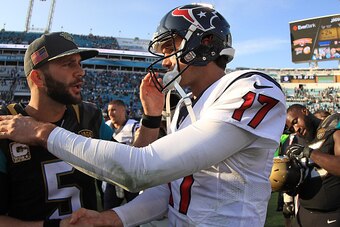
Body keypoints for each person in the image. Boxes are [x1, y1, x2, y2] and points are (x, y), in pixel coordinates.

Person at [0, 4, 287, 226]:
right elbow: (170, 190)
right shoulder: (185, 109)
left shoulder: (250, 88)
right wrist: (112, 218)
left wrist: (41, 132)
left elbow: (142, 169)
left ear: (205, 43)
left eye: (169, 47)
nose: (164, 60)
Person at [0, 32, 114, 226]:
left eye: (79, 63)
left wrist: (151, 118)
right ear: (38, 77)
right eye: (68, 64)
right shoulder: (5, 125)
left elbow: (131, 169)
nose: (81, 72)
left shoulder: (88, 116)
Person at [284, 104, 340, 226]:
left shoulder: (334, 127)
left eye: (295, 122)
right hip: (304, 213)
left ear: (305, 111)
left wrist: (310, 153)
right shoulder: (298, 140)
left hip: (332, 215)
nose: (296, 129)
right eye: (292, 128)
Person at [103, 99, 140, 210]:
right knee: (109, 210)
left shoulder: (134, 126)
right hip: (111, 177)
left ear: (123, 110)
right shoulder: (105, 126)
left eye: (114, 110)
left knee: (133, 212)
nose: (110, 113)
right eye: (109, 110)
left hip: (130, 176)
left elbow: (140, 142)